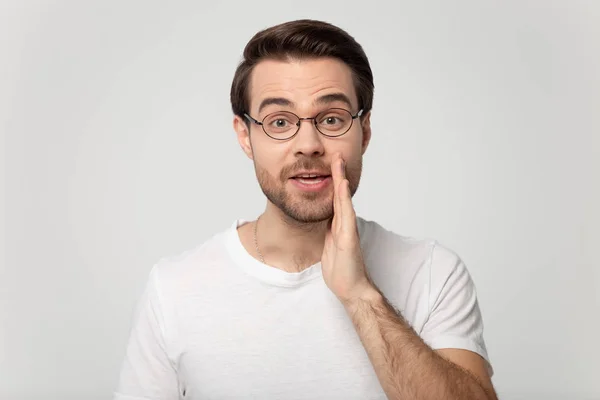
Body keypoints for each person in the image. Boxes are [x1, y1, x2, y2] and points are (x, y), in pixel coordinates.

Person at [114, 19, 497, 400]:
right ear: (245, 137)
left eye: (331, 119)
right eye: (280, 122)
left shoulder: (432, 273)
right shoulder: (173, 288)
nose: (309, 145)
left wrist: (360, 295)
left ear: (363, 132)